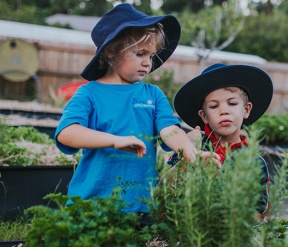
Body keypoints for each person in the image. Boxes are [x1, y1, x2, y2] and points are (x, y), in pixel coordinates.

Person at [54, 3, 219, 220]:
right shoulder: (89, 94)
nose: (147, 63)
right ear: (111, 52)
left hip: (140, 204)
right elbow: (67, 132)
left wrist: (188, 149)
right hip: (92, 201)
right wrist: (113, 140)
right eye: (140, 53)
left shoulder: (153, 93)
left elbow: (169, 128)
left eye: (151, 56)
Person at [167, 63, 273, 216]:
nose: (224, 111)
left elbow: (260, 213)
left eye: (232, 103)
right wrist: (188, 155)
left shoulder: (254, 162)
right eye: (214, 106)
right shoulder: (189, 147)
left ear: (246, 109)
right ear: (203, 116)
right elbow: (164, 191)